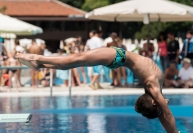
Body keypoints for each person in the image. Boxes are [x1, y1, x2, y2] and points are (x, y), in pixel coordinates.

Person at [17, 46, 179, 133]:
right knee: (73, 61)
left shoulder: (153, 89)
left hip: (117, 56)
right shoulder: (154, 90)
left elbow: (165, 114)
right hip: (118, 58)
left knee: (75, 59)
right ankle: (39, 62)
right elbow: (164, 115)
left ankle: (38, 60)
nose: (166, 104)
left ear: (153, 101)